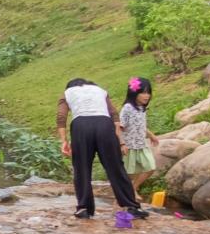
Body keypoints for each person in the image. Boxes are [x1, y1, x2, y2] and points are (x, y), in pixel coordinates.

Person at [55, 78, 144, 220]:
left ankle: (84, 208)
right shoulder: (100, 91)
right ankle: (131, 206)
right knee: (115, 167)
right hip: (104, 124)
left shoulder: (67, 92)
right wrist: (119, 140)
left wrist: (64, 141)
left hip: (81, 126)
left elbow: (61, 117)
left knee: (82, 168)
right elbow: (114, 115)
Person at [119, 76, 161, 194]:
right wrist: (122, 144)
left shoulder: (141, 108)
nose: (147, 96)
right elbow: (119, 127)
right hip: (129, 147)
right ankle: (123, 196)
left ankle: (133, 188)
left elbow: (141, 125)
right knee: (129, 173)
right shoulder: (127, 108)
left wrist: (151, 135)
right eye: (143, 93)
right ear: (134, 93)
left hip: (141, 145)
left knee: (150, 167)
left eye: (148, 93)